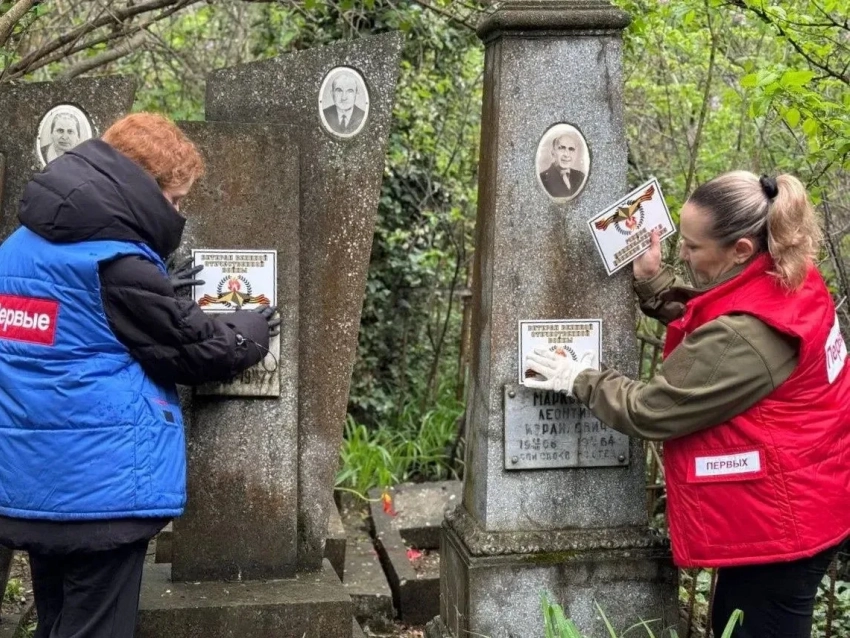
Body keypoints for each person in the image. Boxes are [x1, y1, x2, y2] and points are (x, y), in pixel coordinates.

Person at [525, 171, 850, 637]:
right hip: (806, 500)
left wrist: (577, 378)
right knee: (733, 619)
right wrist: (656, 283)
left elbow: (652, 409)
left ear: (741, 249)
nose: (683, 253)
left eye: (694, 247)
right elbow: (720, 321)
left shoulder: (749, 334)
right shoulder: (788, 276)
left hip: (785, 525)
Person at [0, 112, 280, 638]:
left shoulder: (18, 247)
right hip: (99, 490)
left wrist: (155, 288)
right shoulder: (117, 265)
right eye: (174, 200)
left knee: (57, 619)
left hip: (32, 482)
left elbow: (76, 326)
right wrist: (249, 331)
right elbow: (190, 349)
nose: (177, 213)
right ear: (141, 188)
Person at [539, 131, 586, 199]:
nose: (566, 154)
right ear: (553, 153)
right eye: (562, 148)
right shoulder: (543, 179)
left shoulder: (580, 176)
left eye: (571, 149)